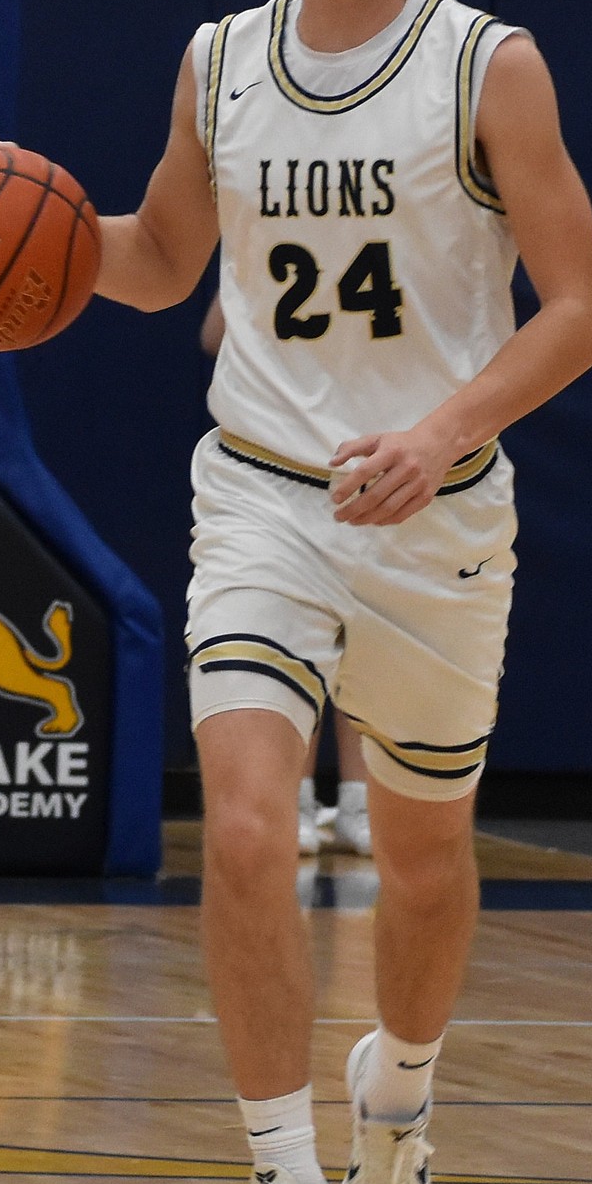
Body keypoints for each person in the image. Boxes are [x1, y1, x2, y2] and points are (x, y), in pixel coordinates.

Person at [0, 0, 592, 1184]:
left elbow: (578, 308)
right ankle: (277, 1182)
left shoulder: (487, 67)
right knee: (238, 828)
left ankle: (399, 1100)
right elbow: (161, 263)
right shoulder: (217, 60)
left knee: (424, 861)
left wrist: (437, 433)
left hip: (435, 511)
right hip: (259, 494)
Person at [200, 291, 371, 857]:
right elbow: (215, 333)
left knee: (368, 636)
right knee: (292, 638)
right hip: (283, 461)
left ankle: (358, 802)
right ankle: (295, 797)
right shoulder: (273, 214)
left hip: (383, 453)